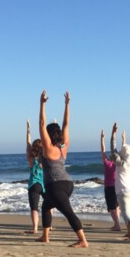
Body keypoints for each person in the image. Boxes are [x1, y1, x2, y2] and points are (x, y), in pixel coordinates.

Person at [37, 90, 88, 248]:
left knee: (68, 212)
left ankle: (83, 240)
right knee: (46, 206)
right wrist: (67, 104)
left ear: (48, 134)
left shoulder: (48, 149)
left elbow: (41, 123)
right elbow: (66, 124)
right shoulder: (63, 147)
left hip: (56, 185)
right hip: (67, 184)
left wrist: (42, 104)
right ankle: (45, 236)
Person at [111, 122, 130, 242]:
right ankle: (129, 233)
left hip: (124, 193)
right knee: (126, 213)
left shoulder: (120, 163)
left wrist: (113, 134)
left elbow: (113, 150)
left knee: (127, 215)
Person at [25, 118, 44, 234]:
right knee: (49, 205)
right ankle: (49, 226)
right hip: (45, 184)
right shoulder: (46, 158)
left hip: (33, 184)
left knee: (34, 207)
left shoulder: (31, 158)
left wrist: (28, 129)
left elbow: (27, 144)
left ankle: (35, 228)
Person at [100, 128, 121, 231]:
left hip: (109, 187)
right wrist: (122, 138)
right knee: (116, 206)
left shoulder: (107, 163)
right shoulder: (118, 164)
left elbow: (103, 150)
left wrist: (102, 138)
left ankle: (117, 225)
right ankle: (117, 224)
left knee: (112, 208)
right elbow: (114, 150)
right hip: (117, 187)